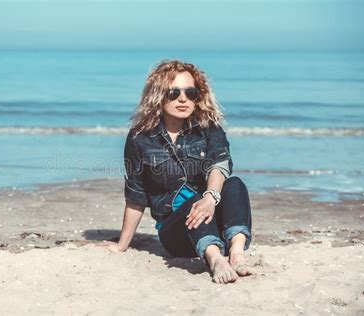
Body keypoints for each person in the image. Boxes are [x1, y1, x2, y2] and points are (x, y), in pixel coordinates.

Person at [98, 60, 253, 284]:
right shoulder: (140, 138)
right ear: (159, 95)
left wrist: (211, 198)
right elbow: (136, 194)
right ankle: (216, 259)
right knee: (194, 201)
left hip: (211, 216)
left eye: (190, 93)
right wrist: (122, 245)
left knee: (235, 184)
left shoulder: (209, 128)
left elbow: (219, 165)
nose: (183, 99)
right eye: (173, 92)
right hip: (176, 232)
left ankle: (237, 252)